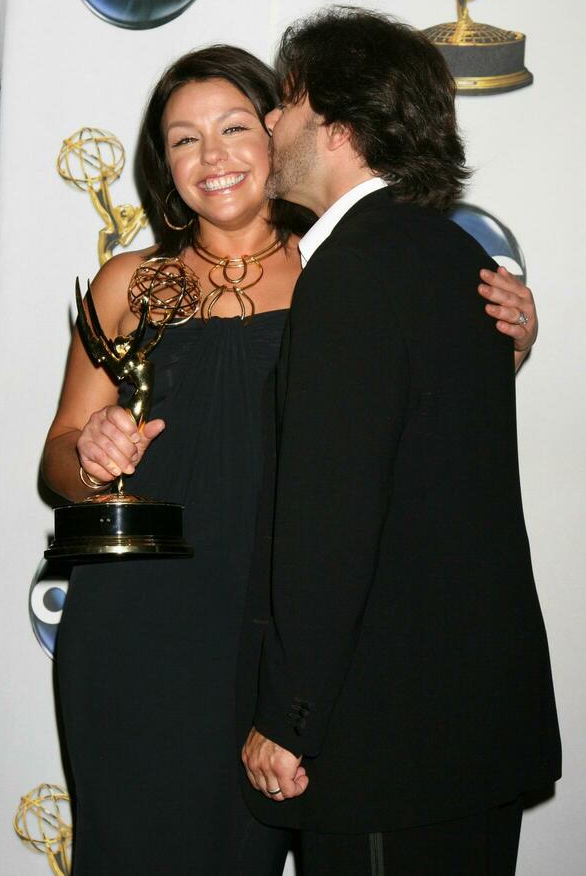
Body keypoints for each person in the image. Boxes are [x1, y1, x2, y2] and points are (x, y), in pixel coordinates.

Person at [42, 42, 539, 876]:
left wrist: (506, 349)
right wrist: (89, 457)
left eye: (236, 126)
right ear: (163, 166)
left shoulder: (346, 271)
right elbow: (57, 459)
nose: (213, 156)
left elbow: (418, 430)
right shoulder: (129, 282)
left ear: (280, 133)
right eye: (184, 139)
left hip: (294, 634)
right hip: (143, 628)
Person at [241, 7, 561, 876]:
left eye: (287, 101)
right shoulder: (457, 261)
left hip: (389, 747)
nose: (271, 120)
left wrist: (288, 713)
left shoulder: (352, 275)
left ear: (339, 126)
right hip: (472, 739)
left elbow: (332, 522)